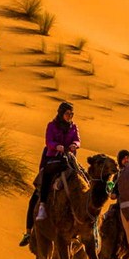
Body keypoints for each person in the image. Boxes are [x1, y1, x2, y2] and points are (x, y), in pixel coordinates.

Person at [20, 101, 81, 246]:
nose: (70, 116)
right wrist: (56, 146)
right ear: (61, 113)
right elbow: (49, 142)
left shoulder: (74, 127)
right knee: (39, 189)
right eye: (67, 113)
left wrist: (74, 145)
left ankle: (81, 223)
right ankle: (36, 218)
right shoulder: (52, 126)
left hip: (69, 160)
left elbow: (77, 140)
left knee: (82, 180)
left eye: (71, 114)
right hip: (53, 159)